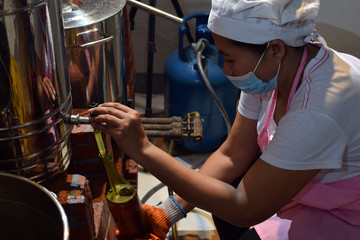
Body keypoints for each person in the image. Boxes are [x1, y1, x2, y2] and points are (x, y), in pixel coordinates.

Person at [89, 0, 360, 239]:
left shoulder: (318, 108)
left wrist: (144, 150)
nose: (225, 69)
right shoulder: (274, 69)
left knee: (232, 207)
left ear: (275, 49)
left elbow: (244, 208)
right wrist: (169, 211)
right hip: (316, 192)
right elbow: (232, 154)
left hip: (348, 211)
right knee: (222, 191)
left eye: (229, 58)